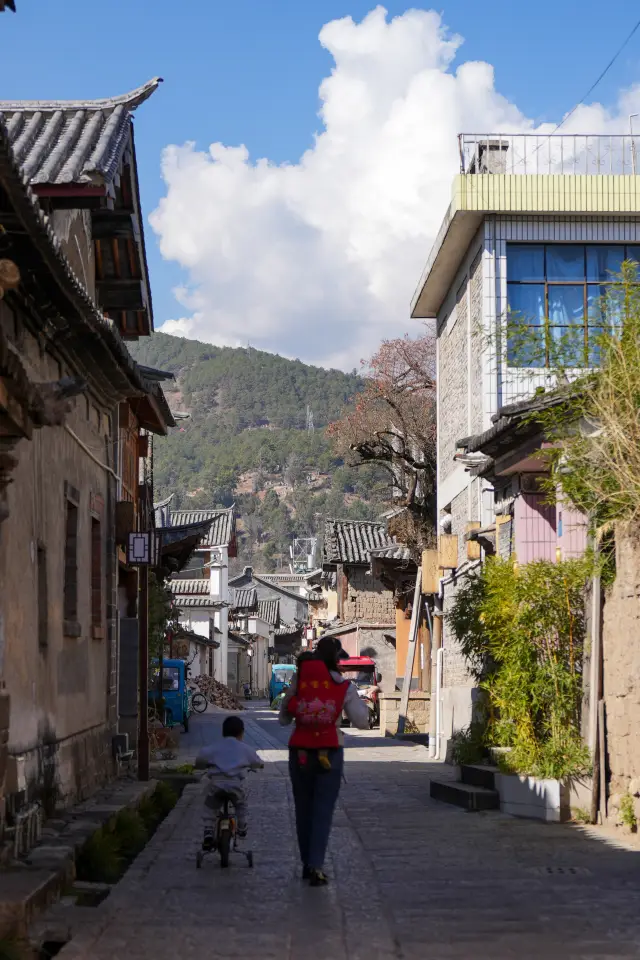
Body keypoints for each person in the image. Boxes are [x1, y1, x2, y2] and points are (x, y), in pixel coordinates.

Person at [280, 636, 369, 886]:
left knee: (303, 808)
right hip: (330, 751)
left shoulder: (301, 680)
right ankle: (316, 865)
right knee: (322, 810)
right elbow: (362, 721)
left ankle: (307, 863)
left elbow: (284, 718)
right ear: (336, 658)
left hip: (299, 750)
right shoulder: (343, 684)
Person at [195, 715, 263, 850]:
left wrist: (201, 766)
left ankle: (208, 831)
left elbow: (201, 759)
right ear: (242, 733)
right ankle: (242, 826)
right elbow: (257, 762)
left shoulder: (214, 747)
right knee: (241, 805)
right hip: (235, 786)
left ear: (223, 732)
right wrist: (258, 766)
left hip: (217, 785)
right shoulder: (245, 748)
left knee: (210, 807)